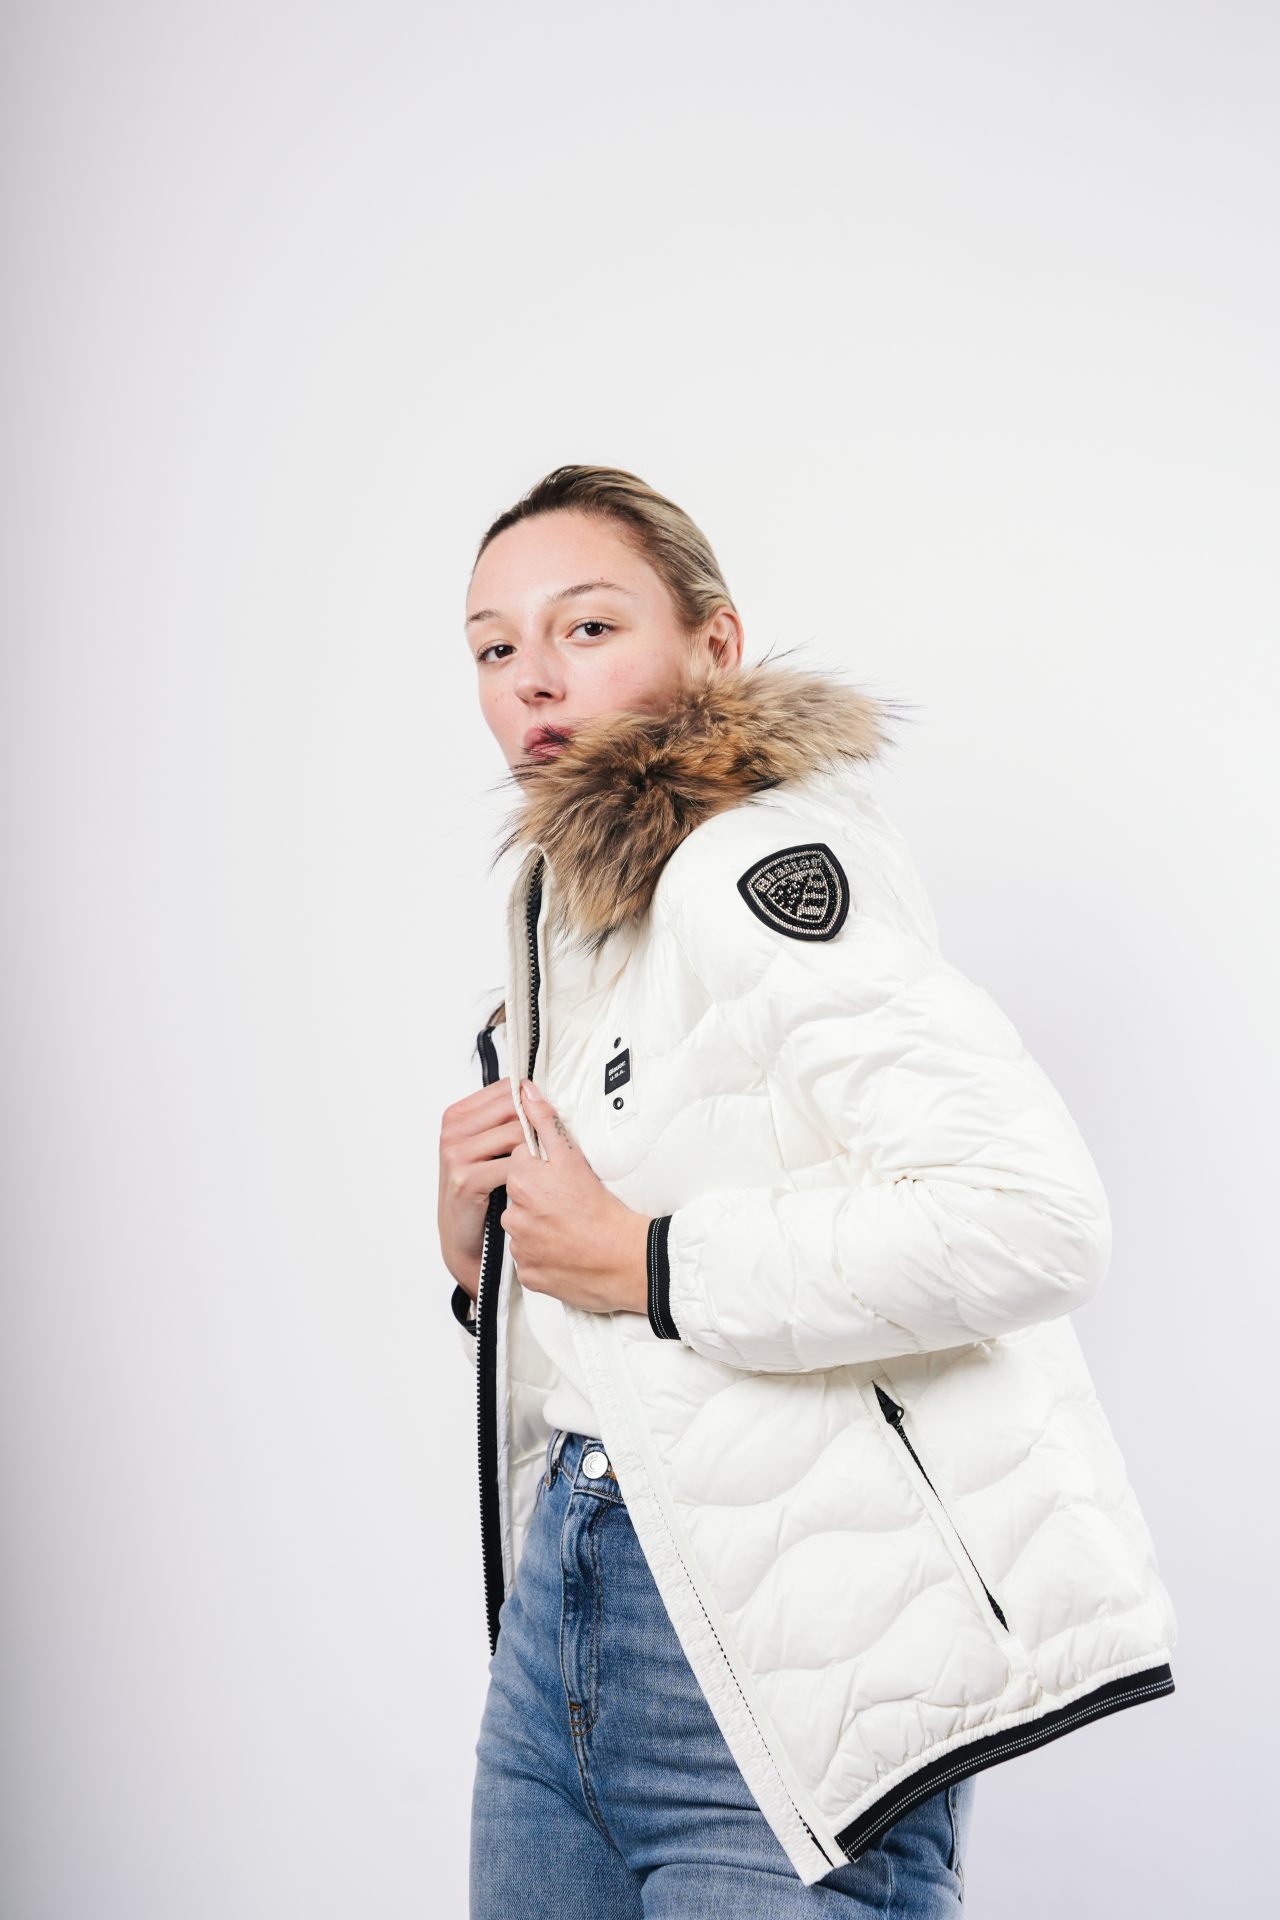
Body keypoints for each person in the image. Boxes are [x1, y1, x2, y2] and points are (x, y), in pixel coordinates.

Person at [438, 465, 1177, 1916]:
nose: (534, 680)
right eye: (494, 646)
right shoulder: (575, 915)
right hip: (563, 1629)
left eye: (588, 627)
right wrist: (489, 1271)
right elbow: (627, 1308)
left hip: (789, 1662)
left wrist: (648, 1261)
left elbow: (1032, 1216)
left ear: (714, 642)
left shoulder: (759, 867)